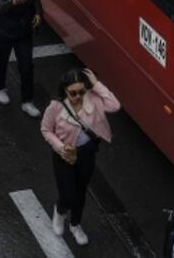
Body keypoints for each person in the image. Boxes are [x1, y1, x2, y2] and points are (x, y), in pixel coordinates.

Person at [41, 67, 121, 245]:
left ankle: (75, 225)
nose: (78, 96)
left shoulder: (93, 98)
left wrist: (96, 84)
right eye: (73, 93)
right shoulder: (55, 107)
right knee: (68, 193)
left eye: (81, 91)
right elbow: (46, 130)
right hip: (64, 154)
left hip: (87, 152)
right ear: (64, 91)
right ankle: (60, 212)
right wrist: (61, 147)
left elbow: (115, 105)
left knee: (80, 192)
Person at [0, 0, 43, 117]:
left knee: (27, 67)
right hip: (3, 34)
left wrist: (38, 14)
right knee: (1, 61)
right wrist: (12, 2)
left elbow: (36, 1)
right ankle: (0, 88)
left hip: (23, 34)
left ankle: (27, 101)